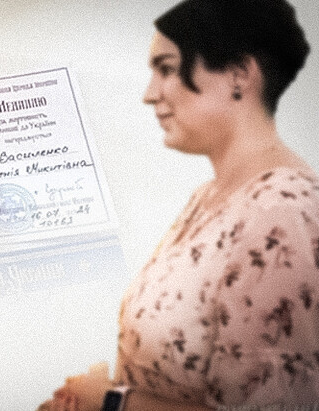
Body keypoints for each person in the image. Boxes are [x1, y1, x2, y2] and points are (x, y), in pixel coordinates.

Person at [40, 0, 318, 409]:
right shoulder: (209, 196)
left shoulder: (279, 213)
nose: (150, 95)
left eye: (167, 68)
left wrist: (111, 401)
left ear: (239, 75)